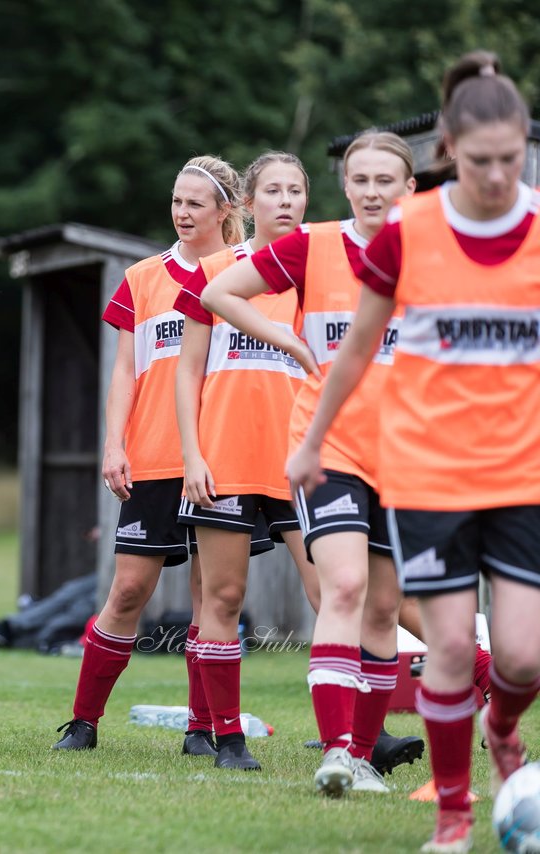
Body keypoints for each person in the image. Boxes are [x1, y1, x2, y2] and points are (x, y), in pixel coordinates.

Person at [287, 51, 539, 853]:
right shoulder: (410, 231)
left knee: (524, 658)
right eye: (481, 161)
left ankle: (502, 724)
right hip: (427, 469)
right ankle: (454, 816)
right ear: (449, 155)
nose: (498, 175)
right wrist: (313, 440)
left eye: (512, 159)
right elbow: (357, 346)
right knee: (453, 645)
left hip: (520, 469)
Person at [202, 132, 418, 795]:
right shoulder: (315, 245)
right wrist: (292, 343)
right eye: (363, 179)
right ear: (346, 187)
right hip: (331, 449)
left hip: (407, 453)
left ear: (410, 189)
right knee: (345, 586)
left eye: (388, 180)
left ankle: (363, 755)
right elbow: (222, 295)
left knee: (384, 609)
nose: (375, 191)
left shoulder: (432, 254)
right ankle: (337, 752)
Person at [50, 156, 258, 756]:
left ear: (227, 210)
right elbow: (125, 371)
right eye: (176, 200)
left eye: (195, 202)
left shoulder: (249, 275)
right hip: (155, 460)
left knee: (211, 596)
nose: (182, 212)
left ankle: (203, 729)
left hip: (220, 459)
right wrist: (114, 444)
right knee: (128, 591)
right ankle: (84, 721)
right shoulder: (143, 277)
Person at [174, 151, 318, 771]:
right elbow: (187, 371)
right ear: (249, 203)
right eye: (273, 191)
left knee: (334, 592)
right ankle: (225, 738)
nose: (285, 202)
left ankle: (355, 732)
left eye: (296, 191)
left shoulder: (325, 269)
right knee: (224, 597)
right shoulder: (215, 270)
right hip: (226, 455)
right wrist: (191, 454)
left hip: (301, 458)